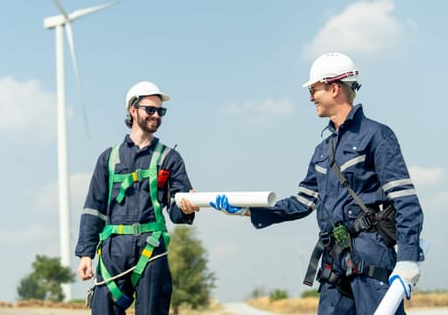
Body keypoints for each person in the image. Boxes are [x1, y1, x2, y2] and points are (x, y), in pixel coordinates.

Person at [211, 53, 424, 314]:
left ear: (333, 88)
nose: (311, 97)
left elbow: (405, 200)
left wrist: (407, 257)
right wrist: (248, 210)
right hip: (333, 261)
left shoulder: (377, 136)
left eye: (313, 90)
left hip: (371, 256)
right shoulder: (322, 150)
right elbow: (301, 203)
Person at [75, 80, 199, 315]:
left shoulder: (170, 158)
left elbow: (176, 210)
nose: (156, 115)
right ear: (133, 110)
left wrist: (186, 208)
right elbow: (94, 208)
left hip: (152, 249)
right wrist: (85, 254)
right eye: (150, 110)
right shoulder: (108, 158)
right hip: (113, 250)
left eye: (160, 111)